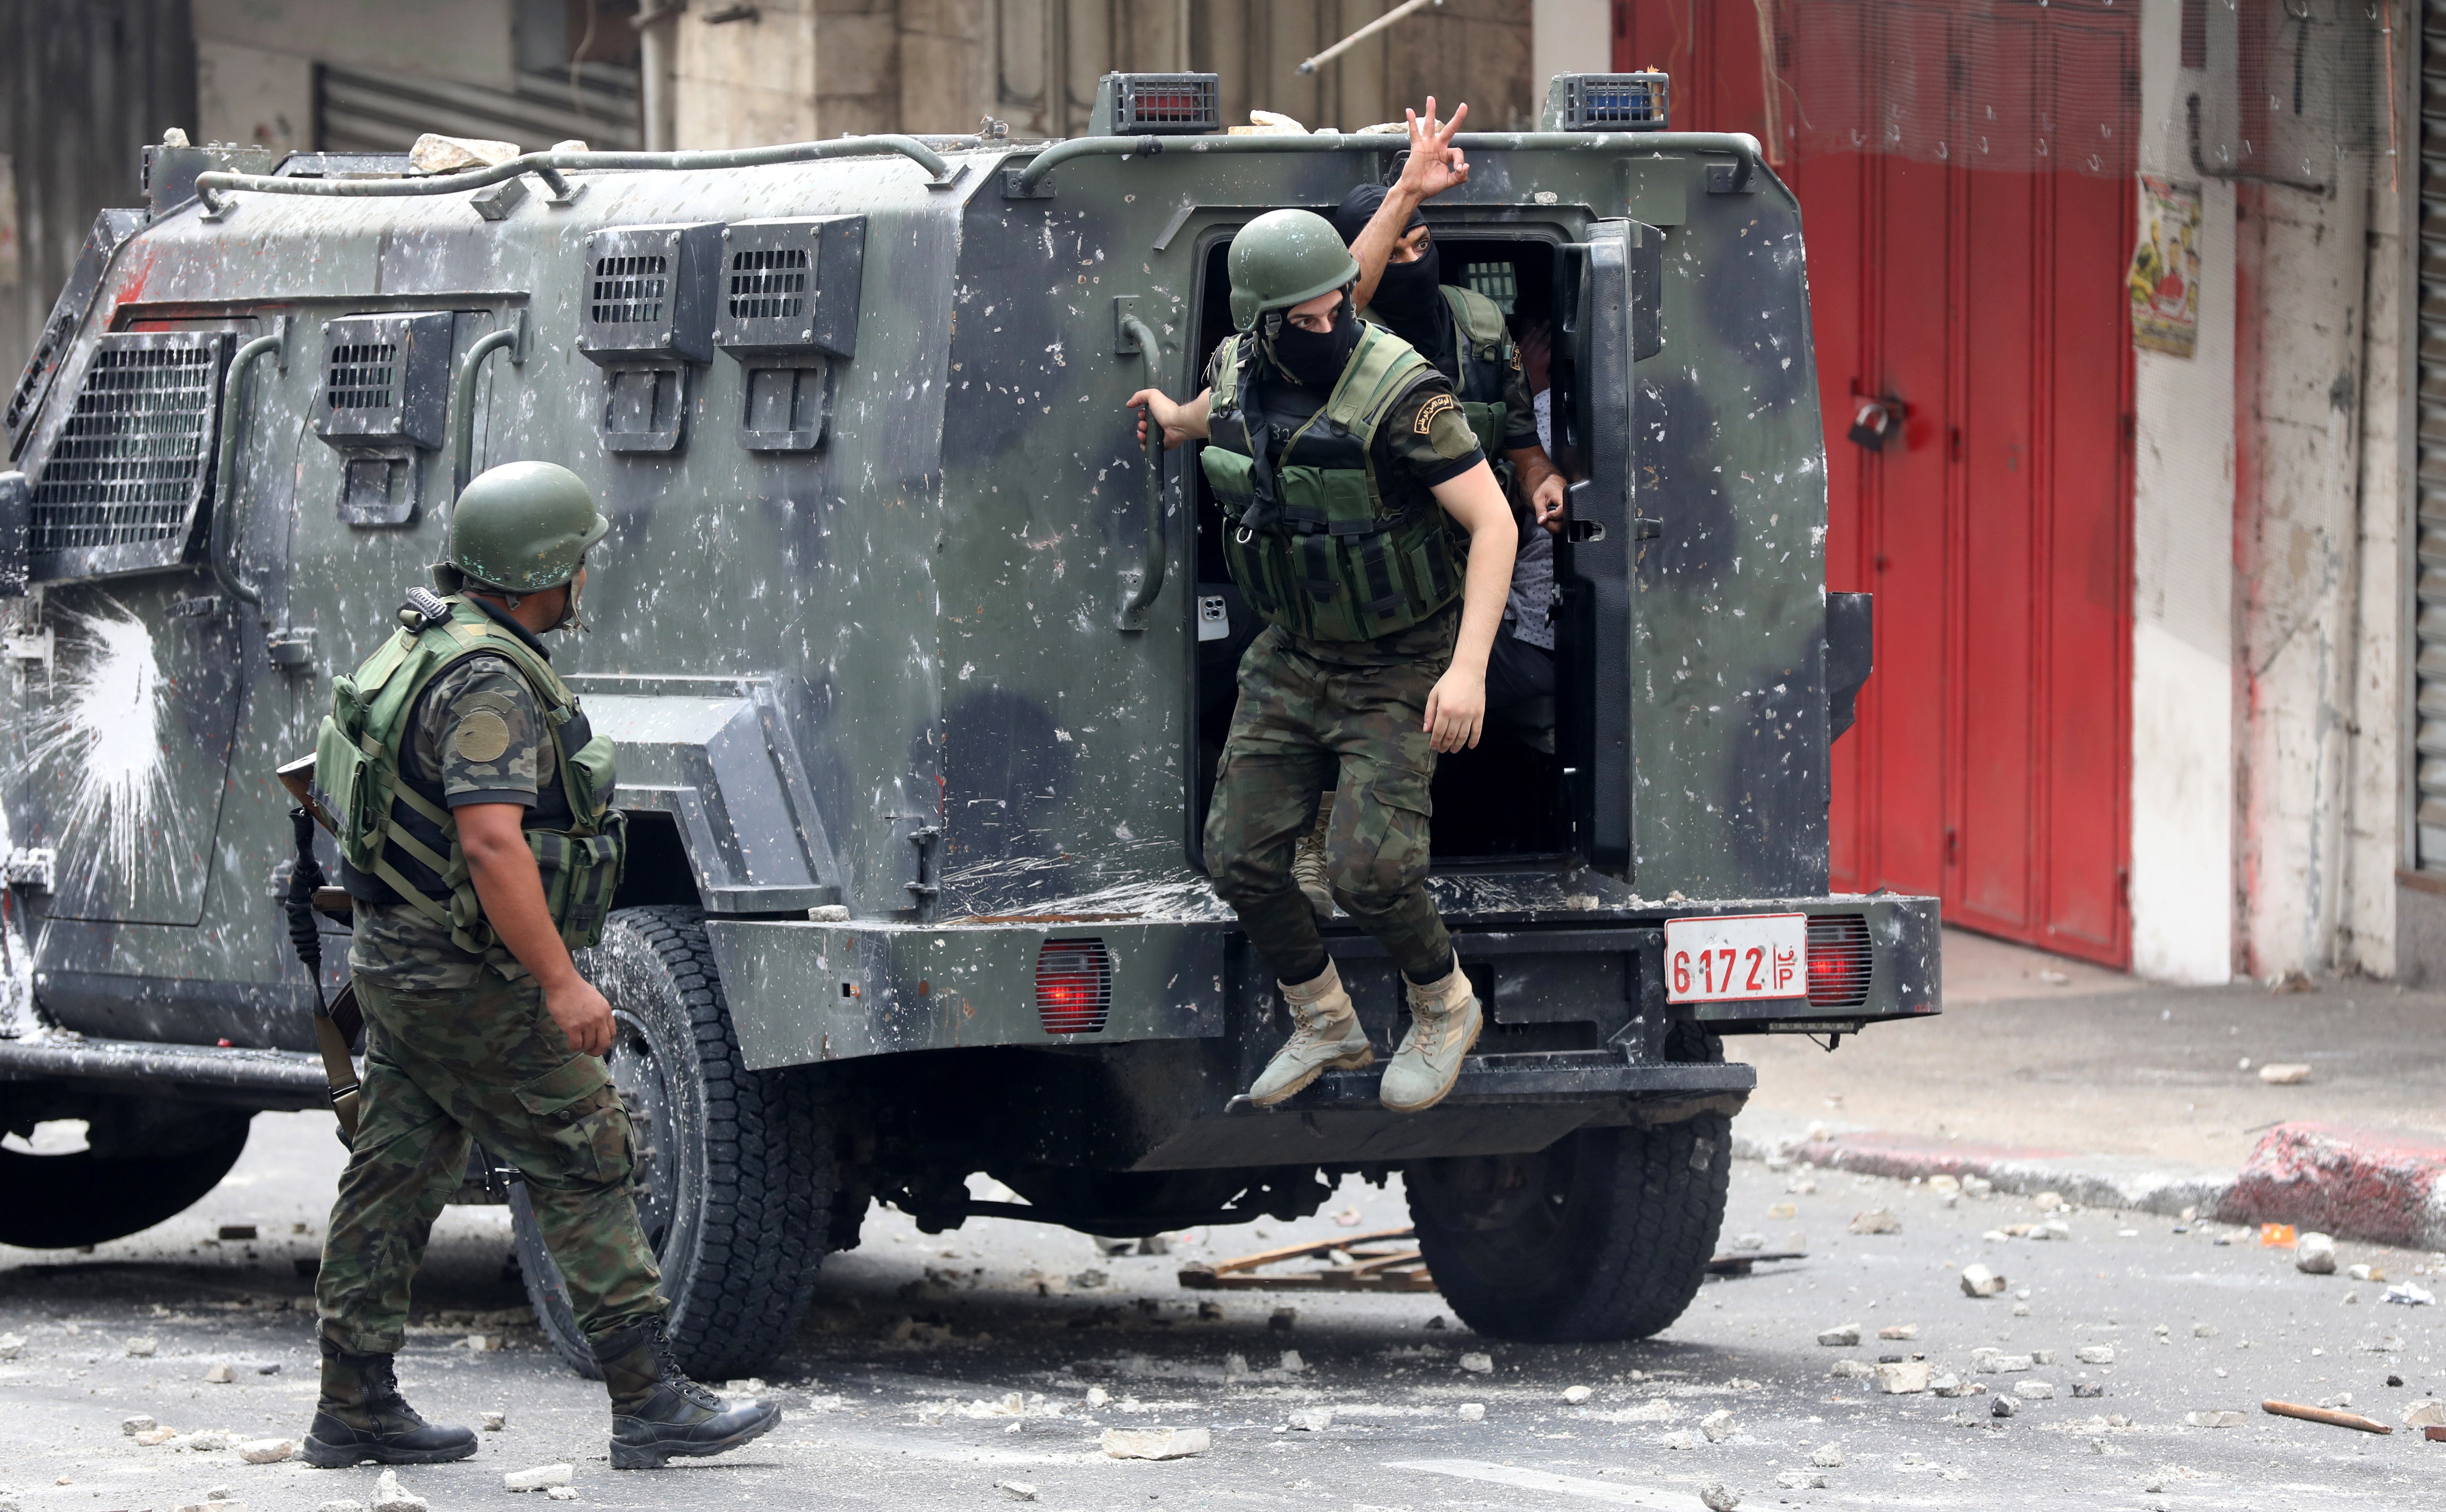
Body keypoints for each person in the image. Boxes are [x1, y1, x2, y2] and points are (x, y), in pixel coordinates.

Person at [303, 461, 777, 1472]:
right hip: (459, 969)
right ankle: (650, 1399)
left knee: (397, 1164)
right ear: (541, 574)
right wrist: (564, 980)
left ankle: (353, 1400)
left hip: (398, 951)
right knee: (586, 1148)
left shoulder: (430, 638)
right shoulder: (489, 679)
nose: (584, 581)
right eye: (577, 563)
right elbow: (491, 842)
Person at [1126, 209, 1517, 1115]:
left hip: (1400, 656)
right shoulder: (1238, 365)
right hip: (1295, 651)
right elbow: (1214, 412)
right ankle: (1325, 1017)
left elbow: (1493, 524)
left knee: (1369, 871)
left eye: (1338, 305)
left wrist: (1466, 672)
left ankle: (1443, 1004)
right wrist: (1172, 419)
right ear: (1261, 323)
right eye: (1303, 318)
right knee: (1237, 857)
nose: (1328, 325)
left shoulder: (1405, 395)